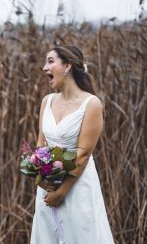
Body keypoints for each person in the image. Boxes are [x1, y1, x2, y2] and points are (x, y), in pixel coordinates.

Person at [30, 46, 114, 244]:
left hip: (77, 187)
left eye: (50, 61)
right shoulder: (47, 101)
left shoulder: (91, 104)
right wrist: (40, 180)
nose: (44, 67)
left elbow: (83, 154)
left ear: (67, 66)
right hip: (47, 188)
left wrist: (61, 192)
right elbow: (41, 144)